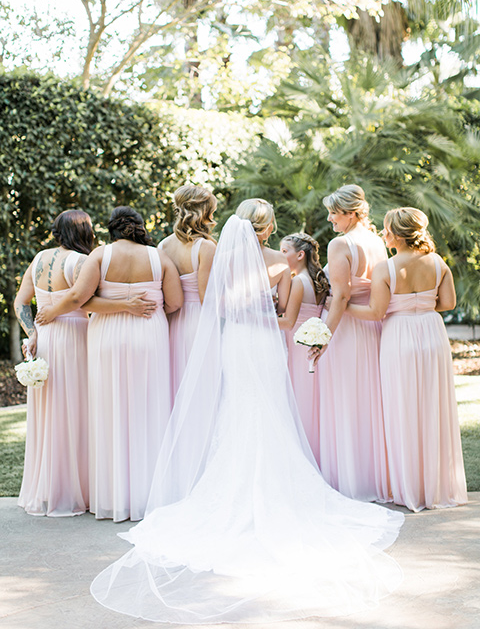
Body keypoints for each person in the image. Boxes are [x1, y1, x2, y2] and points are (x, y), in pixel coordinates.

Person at [90, 201, 404, 624]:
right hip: (265, 343)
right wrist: (271, 311)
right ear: (270, 227)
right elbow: (284, 312)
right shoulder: (280, 263)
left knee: (236, 411)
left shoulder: (223, 257)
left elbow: (216, 307)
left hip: (236, 342)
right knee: (269, 410)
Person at [36, 206, 183, 522]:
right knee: (149, 410)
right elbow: (175, 302)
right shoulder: (160, 258)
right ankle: (148, 496)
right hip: (149, 335)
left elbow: (81, 299)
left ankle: (113, 497)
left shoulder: (100, 256)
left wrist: (116, 306)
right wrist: (139, 305)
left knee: (110, 410)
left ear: (112, 229)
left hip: (107, 337)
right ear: (140, 227)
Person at [14, 210, 151, 517]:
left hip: (46, 339)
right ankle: (79, 490)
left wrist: (33, 333)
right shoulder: (78, 262)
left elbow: (20, 301)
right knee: (79, 411)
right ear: (84, 232)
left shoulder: (38, 259)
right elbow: (80, 300)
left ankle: (48, 489)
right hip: (75, 338)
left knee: (50, 412)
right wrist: (126, 305)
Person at [347, 207, 468, 512]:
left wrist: (341, 307)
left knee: (401, 406)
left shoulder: (386, 269)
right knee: (433, 406)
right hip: (431, 332)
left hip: (398, 336)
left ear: (398, 235)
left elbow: (375, 312)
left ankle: (409, 487)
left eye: (386, 229)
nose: (383, 234)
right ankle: (436, 487)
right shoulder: (438, 263)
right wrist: (421, 304)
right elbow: (449, 303)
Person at [313, 185, 391, 502]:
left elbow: (342, 296)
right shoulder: (377, 243)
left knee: (344, 399)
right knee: (368, 400)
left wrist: (323, 337)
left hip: (345, 328)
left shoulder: (340, 244)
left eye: (335, 212)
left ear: (352, 213)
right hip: (372, 329)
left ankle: (348, 482)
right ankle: (371, 478)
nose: (330, 218)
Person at [159, 185, 217, 399]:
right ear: (205, 212)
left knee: (177, 381)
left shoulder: (163, 245)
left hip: (172, 321)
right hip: (199, 321)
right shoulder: (206, 247)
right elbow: (206, 297)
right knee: (203, 384)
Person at [278, 233, 329, 464]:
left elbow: (288, 322)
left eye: (284, 251)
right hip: (309, 345)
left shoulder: (298, 281)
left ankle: (302, 456)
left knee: (298, 401)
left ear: (300, 255)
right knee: (310, 401)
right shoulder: (315, 280)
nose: (281, 255)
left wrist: (255, 317)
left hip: (297, 347)